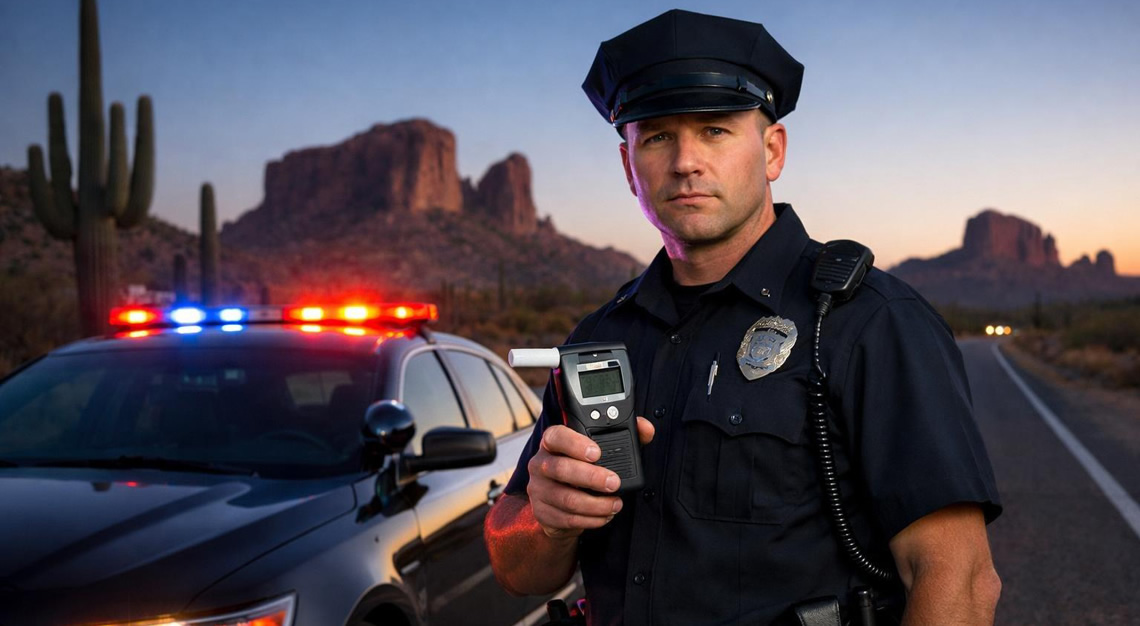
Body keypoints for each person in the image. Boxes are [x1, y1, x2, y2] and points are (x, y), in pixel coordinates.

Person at [485, 9, 1002, 626]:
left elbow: (959, 581)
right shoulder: (599, 338)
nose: (685, 162)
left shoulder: (869, 323)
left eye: (714, 131)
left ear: (773, 150)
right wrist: (545, 519)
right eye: (656, 137)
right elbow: (519, 572)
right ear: (629, 168)